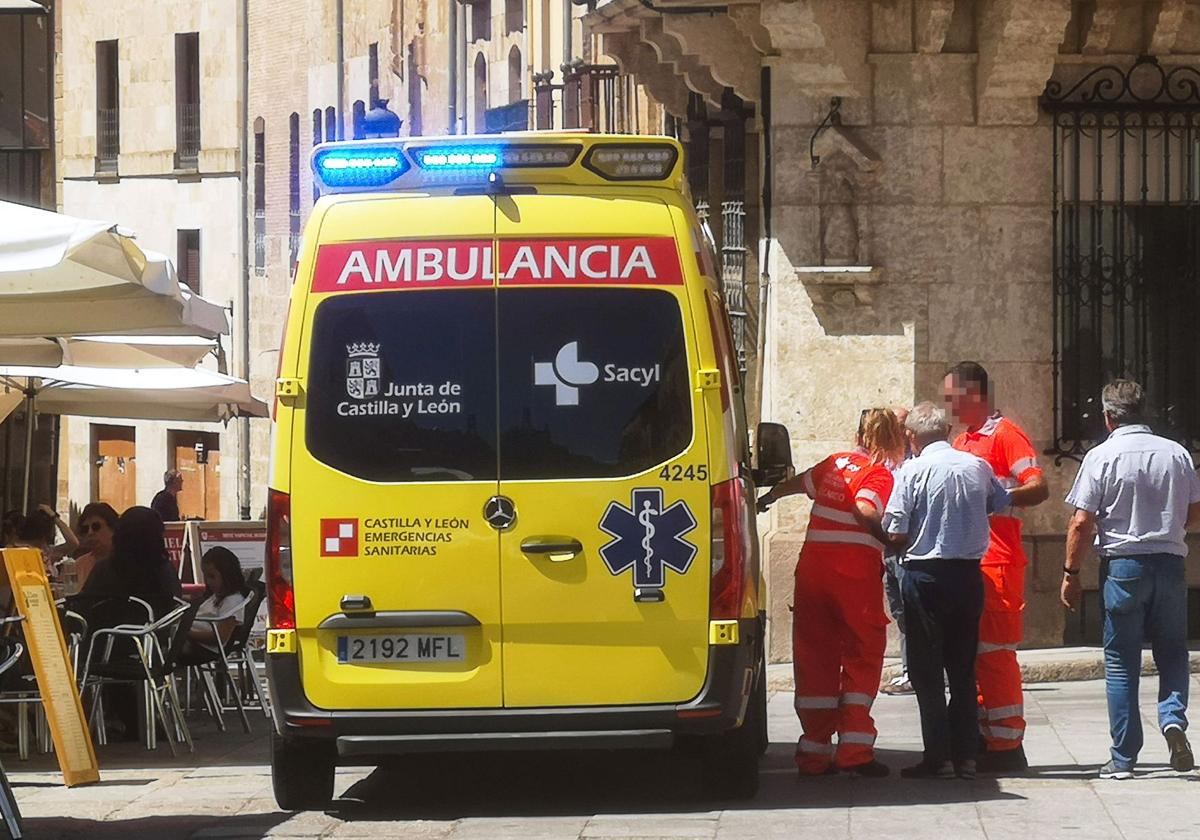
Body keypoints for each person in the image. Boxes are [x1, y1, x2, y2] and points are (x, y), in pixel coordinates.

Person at [1061, 380, 1200, 780]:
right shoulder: (1175, 454)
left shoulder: (1101, 456)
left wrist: (1071, 573)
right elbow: (1193, 510)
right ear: (1143, 410)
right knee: (1173, 651)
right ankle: (1173, 720)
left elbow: (1082, 521)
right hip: (1171, 563)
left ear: (1108, 417)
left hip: (1123, 567)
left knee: (1122, 663)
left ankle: (1123, 758)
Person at [758, 408, 907, 778]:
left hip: (812, 573)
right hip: (853, 577)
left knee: (815, 655)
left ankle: (814, 752)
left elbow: (798, 484)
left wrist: (769, 497)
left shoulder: (835, 463)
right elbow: (864, 506)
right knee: (862, 653)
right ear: (890, 437)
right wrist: (886, 538)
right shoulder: (878, 473)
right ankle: (854, 751)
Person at [878, 402, 1010, 781]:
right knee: (963, 669)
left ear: (911, 437)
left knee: (927, 670)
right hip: (968, 576)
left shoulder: (912, 471)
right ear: (947, 431)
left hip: (925, 576)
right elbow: (998, 503)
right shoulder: (976, 466)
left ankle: (938, 757)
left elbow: (897, 529)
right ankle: (966, 757)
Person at [944, 361, 1048, 772]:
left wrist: (1002, 497)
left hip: (999, 562)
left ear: (975, 396)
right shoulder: (962, 441)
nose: (949, 406)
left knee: (996, 654)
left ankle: (1007, 745)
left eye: (953, 398)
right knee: (974, 656)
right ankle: (988, 737)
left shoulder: (1006, 435)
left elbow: (1038, 487)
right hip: (970, 561)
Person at [77, 506, 183, 620]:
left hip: (107, 634)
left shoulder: (104, 569)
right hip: (154, 634)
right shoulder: (164, 570)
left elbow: (82, 609)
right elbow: (175, 608)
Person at [881, 406, 913, 696]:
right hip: (886, 547)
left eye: (903, 426)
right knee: (901, 611)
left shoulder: (917, 463)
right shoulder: (883, 462)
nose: (898, 432)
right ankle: (910, 670)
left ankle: (915, 672)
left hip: (909, 546)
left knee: (914, 611)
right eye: (894, 426)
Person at [188, 546, 251, 653]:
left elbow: (220, 638)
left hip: (199, 646)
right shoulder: (217, 596)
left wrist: (185, 634)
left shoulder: (233, 601)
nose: (207, 581)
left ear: (228, 575)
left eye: (212, 576)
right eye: (205, 576)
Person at [11, 504, 80, 581]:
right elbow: (74, 543)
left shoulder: (48, 552)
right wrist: (54, 517)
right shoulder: (19, 550)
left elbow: (74, 543)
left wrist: (53, 517)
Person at [74, 502, 119, 588]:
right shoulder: (79, 565)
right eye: (85, 529)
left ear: (113, 529)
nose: (90, 533)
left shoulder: (125, 561)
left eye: (96, 527)